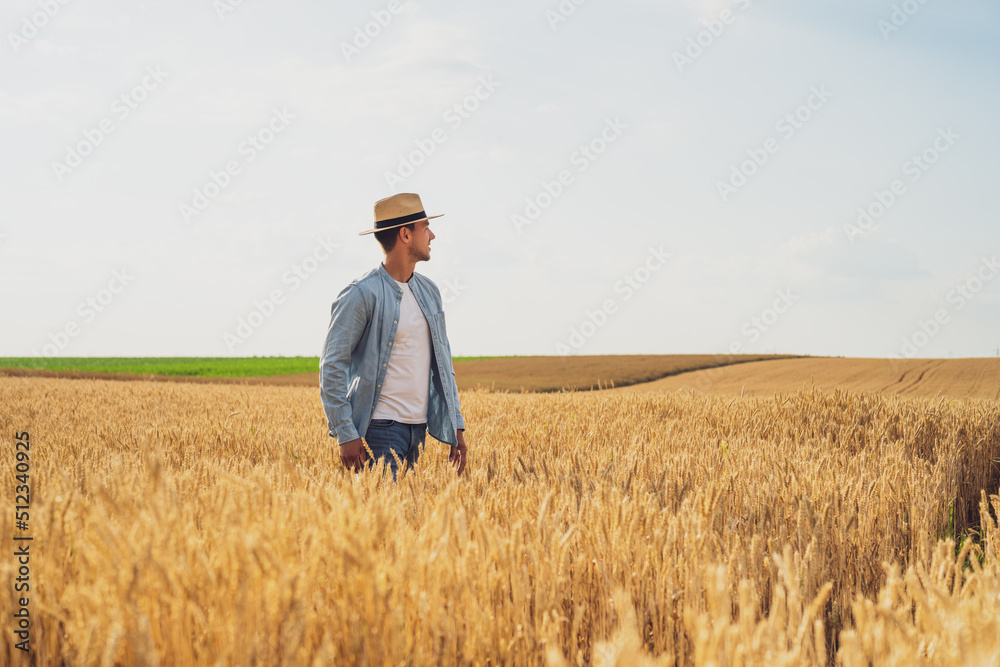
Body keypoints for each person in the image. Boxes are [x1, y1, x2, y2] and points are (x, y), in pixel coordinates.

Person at [320, 192, 467, 480]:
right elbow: (332, 365)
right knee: (384, 521)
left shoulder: (430, 292)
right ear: (405, 235)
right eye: (425, 227)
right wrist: (345, 433)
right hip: (379, 431)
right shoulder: (361, 294)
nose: (432, 235)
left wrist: (456, 428)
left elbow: (444, 362)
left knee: (409, 521)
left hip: (420, 430)